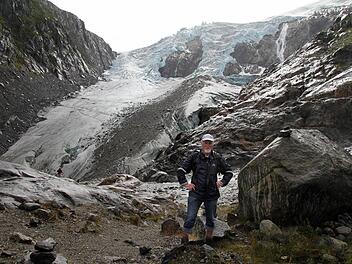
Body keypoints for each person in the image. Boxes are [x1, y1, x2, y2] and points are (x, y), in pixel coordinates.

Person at [177, 133, 233, 243]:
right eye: (205, 142)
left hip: (212, 194)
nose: (207, 145)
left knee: (211, 219)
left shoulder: (217, 158)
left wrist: (222, 182)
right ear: (201, 143)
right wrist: (185, 184)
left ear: (213, 144)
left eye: (209, 143)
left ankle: (208, 240)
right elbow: (181, 170)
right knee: (190, 217)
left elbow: (229, 172)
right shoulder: (194, 157)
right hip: (195, 193)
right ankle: (184, 240)